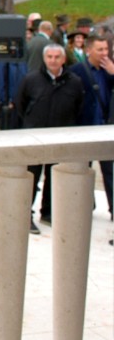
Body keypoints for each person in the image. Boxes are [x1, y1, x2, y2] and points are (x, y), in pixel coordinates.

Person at [14, 44, 84, 235]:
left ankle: (48, 212)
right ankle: (25, 215)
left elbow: (78, 107)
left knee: (54, 177)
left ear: (63, 59)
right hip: (35, 138)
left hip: (59, 138)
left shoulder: (74, 82)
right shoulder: (31, 79)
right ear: (44, 59)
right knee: (31, 177)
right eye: (49, 57)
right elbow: (20, 104)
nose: (53, 60)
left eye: (56, 57)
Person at [70, 34, 114, 221]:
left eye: (106, 49)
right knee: (82, 170)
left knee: (110, 172)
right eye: (100, 50)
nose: (105, 53)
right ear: (89, 50)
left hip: (105, 128)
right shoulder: (76, 71)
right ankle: (85, 205)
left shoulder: (109, 70)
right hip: (84, 128)